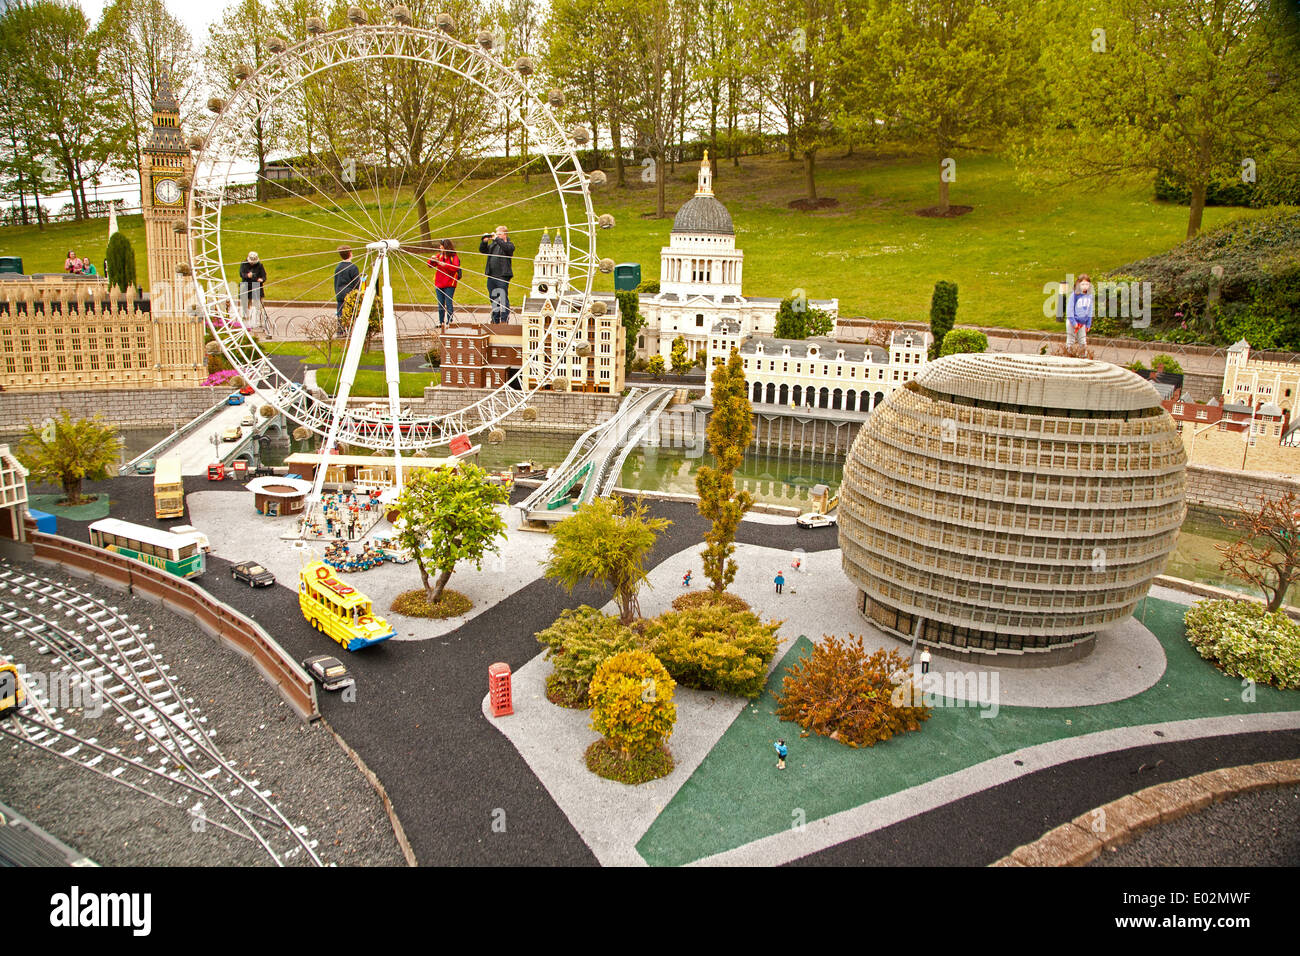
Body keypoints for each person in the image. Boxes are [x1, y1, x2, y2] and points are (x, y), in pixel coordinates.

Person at [479, 225, 515, 323]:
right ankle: (495, 320)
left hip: (502, 276)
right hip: (491, 276)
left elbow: (506, 248)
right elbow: (483, 250)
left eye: (499, 234)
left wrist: (496, 239)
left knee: (502, 298)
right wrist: (484, 241)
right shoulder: (494, 245)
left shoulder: (509, 245)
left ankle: (504, 320)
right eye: (496, 234)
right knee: (493, 298)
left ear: (505, 235)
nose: (497, 236)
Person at [427, 239, 461, 326]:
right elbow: (430, 265)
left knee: (449, 302)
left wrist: (444, 265)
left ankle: (449, 321)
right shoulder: (440, 256)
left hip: (450, 283)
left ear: (446, 247)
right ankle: (441, 322)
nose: (440, 247)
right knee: (440, 304)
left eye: (441, 246)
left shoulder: (454, 257)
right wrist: (432, 259)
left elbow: (455, 268)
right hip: (439, 283)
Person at [334, 245, 361, 326]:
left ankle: (340, 330)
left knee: (340, 314)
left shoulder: (338, 267)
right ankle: (350, 329)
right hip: (350, 294)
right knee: (350, 314)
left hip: (339, 293)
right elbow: (356, 283)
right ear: (350, 253)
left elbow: (336, 282)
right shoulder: (353, 267)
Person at [1065, 273, 1095, 348]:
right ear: (1078, 284)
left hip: (1082, 323)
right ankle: (1067, 357)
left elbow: (1090, 310)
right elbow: (1070, 309)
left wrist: (1088, 323)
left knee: (1083, 342)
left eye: (1087, 284)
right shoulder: (1075, 295)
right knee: (1070, 341)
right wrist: (1073, 322)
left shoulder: (1089, 295)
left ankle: (1083, 357)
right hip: (1073, 322)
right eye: (1083, 284)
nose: (1085, 286)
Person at [239, 251, 266, 324]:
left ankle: (257, 319)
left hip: (256, 286)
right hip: (246, 285)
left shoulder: (260, 265)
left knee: (257, 304)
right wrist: (247, 275)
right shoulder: (244, 264)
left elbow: (264, 276)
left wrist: (262, 279)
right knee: (245, 303)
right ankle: (245, 317)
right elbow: (241, 274)